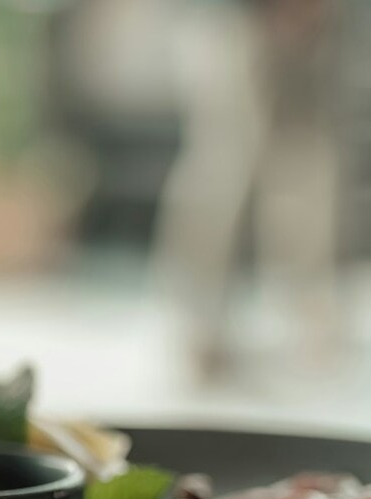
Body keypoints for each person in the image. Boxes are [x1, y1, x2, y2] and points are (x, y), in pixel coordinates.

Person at [154, 0, 342, 383]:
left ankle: (309, 311)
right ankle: (201, 324)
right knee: (225, 161)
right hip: (227, 18)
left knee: (301, 157)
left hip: (297, 22)